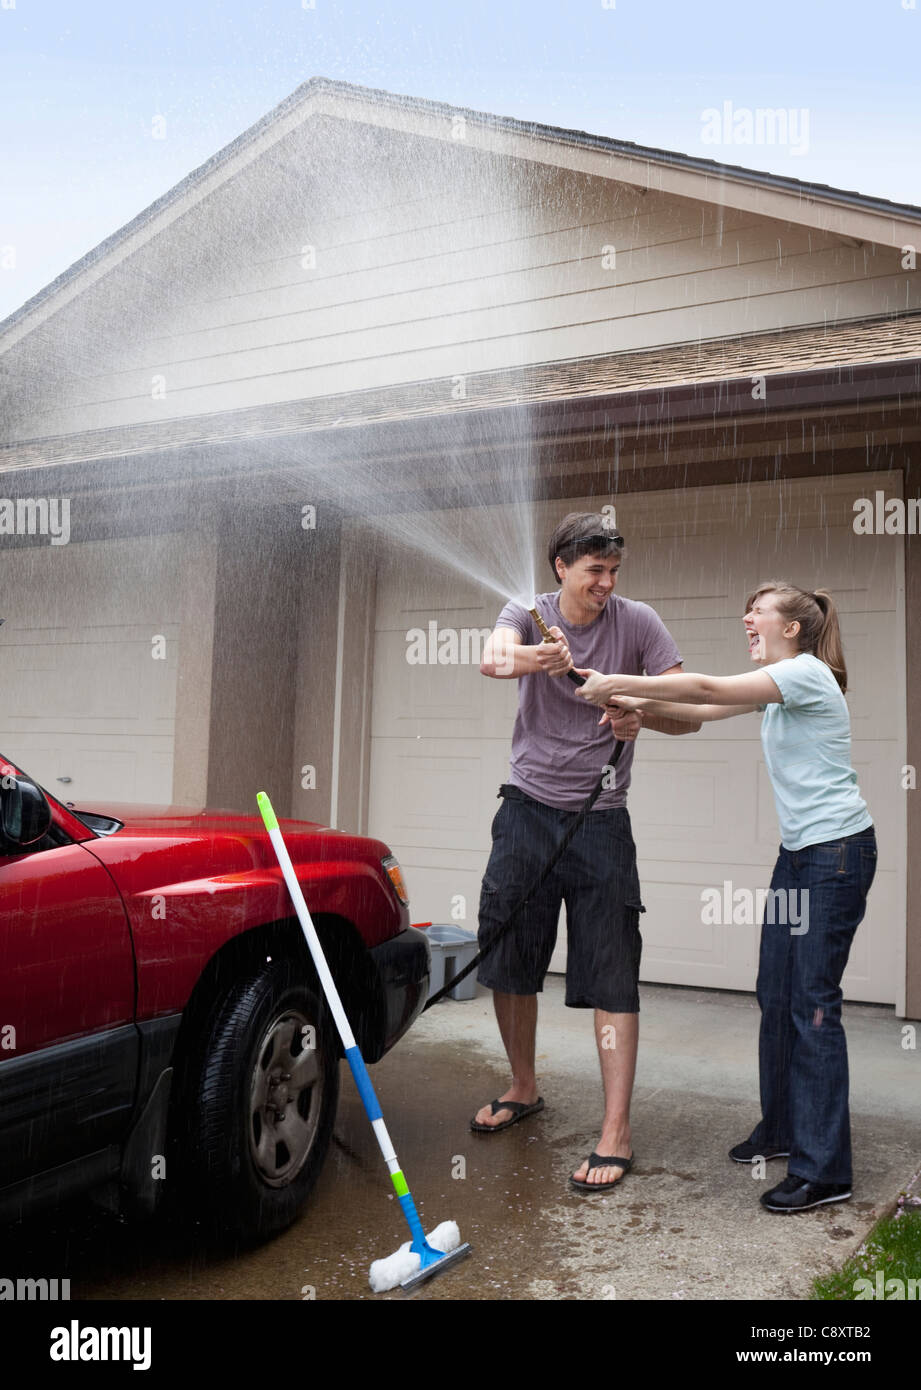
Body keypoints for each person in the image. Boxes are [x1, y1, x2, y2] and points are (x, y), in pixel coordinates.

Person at [575, 580, 876, 1212]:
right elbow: (702, 713)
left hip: (836, 856)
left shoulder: (806, 673)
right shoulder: (778, 684)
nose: (746, 618)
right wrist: (630, 705)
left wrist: (615, 678)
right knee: (777, 992)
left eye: (758, 610)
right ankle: (785, 1129)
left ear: (791, 627)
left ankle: (826, 1170)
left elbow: (708, 689)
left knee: (813, 1004)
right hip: (801, 855)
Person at [472, 511, 697, 1191]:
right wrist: (535, 658)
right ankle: (521, 1086)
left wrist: (640, 715)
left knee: (609, 971)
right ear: (561, 568)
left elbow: (685, 711)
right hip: (526, 812)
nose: (606, 582)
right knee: (509, 957)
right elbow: (490, 658)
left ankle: (615, 1130)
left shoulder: (639, 623)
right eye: (594, 570)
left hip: (600, 822)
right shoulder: (527, 612)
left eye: (613, 571)